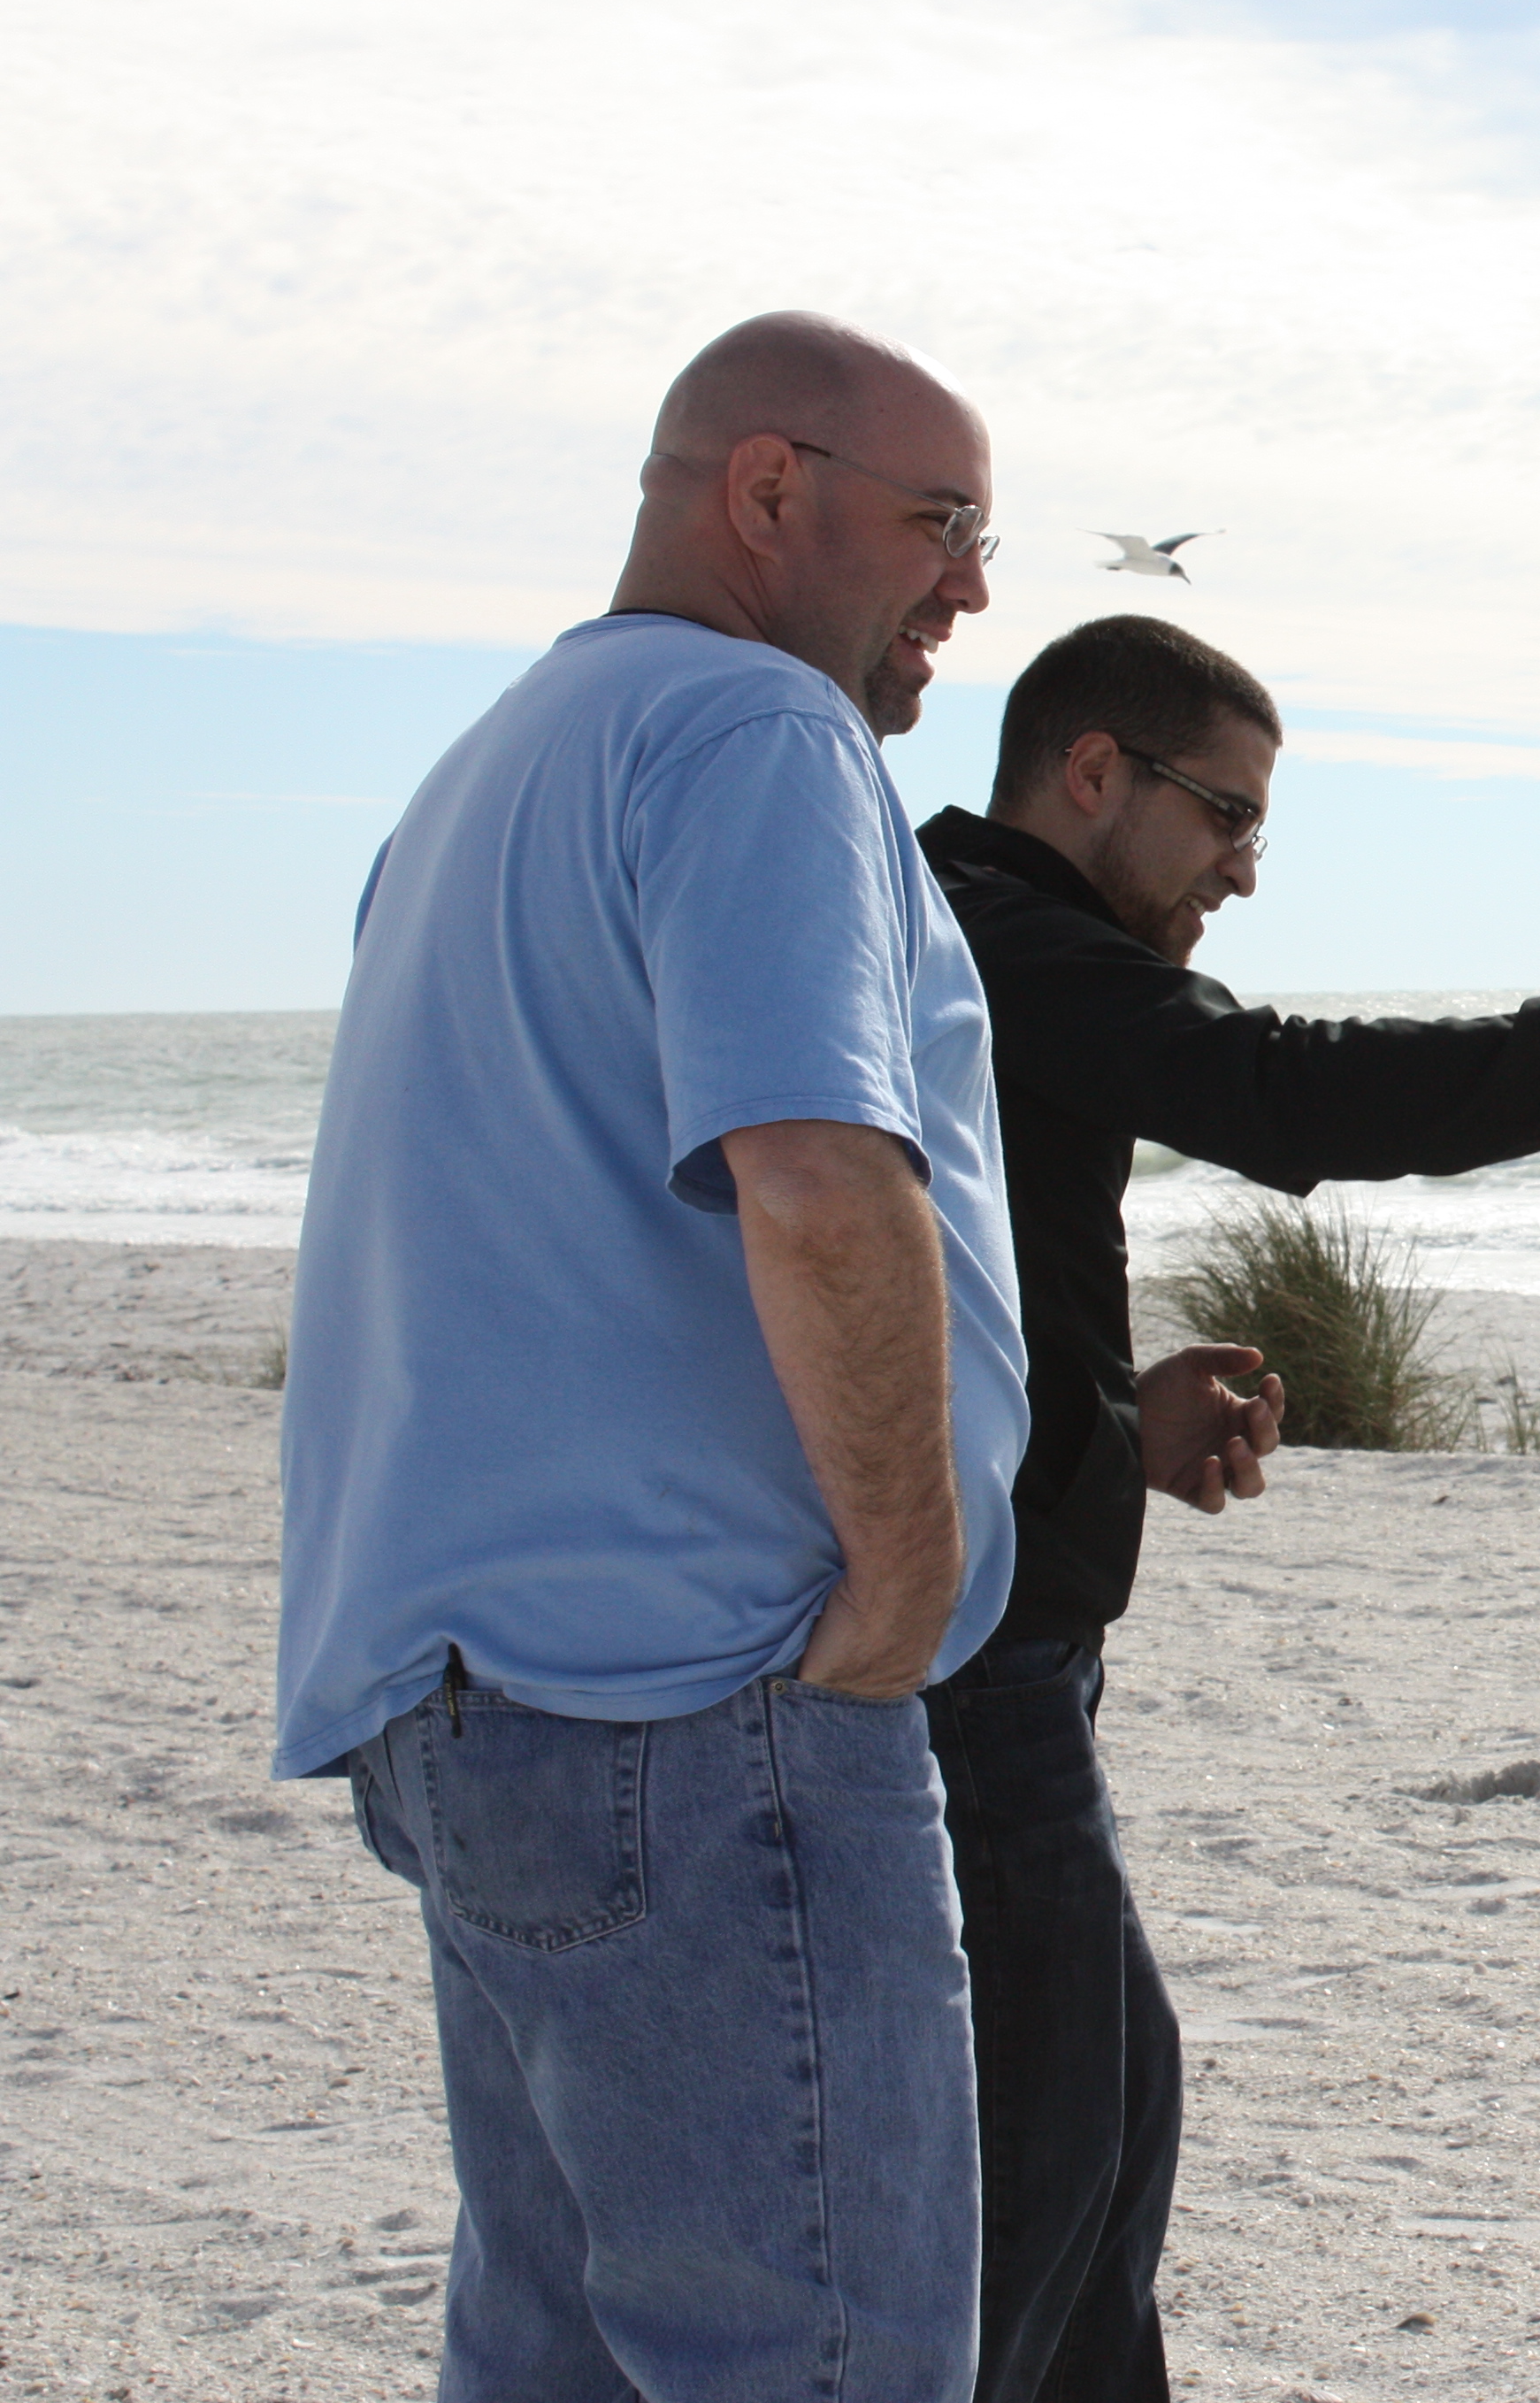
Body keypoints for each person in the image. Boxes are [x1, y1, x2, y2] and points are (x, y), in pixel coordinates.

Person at [912, 611, 1540, 2399]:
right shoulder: (995, 930)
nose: (1246, 869)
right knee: (1041, 2169)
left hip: (1019, 1625)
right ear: (1091, 773)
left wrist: (1120, 1414)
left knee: (1104, 2124)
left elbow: (961, 1290)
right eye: (1225, 816)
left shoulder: (1000, 939)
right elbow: (1287, 1088)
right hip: (976, 1651)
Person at [274, 311, 1028, 2399]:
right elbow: (812, 1174)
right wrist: (903, 1584)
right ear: (768, 491)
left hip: (477, 1698)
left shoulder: (478, 775)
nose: (972, 585)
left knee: (563, 2355)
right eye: (945, 522)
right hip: (699, 1705)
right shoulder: (755, 732)